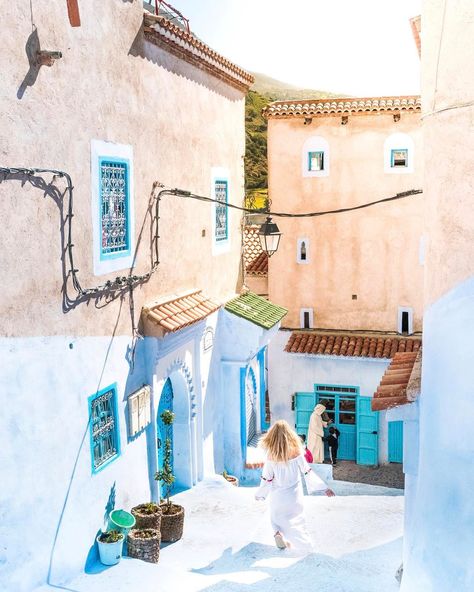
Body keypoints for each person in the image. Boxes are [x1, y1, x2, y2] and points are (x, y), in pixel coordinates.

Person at [255, 420, 335, 551]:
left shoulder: (271, 456)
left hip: (278, 496)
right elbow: (307, 472)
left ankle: (278, 533)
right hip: (294, 496)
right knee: (297, 520)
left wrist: (260, 495)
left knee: (275, 518)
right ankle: (305, 545)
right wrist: (323, 488)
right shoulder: (297, 452)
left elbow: (267, 478)